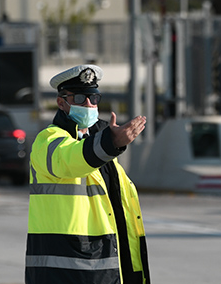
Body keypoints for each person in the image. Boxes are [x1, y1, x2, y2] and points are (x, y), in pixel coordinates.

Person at [26, 64, 150, 284]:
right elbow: (71, 159)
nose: (89, 104)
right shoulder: (47, 140)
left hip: (103, 269)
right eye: (80, 98)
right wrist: (111, 142)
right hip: (64, 272)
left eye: (94, 97)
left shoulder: (102, 145)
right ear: (61, 102)